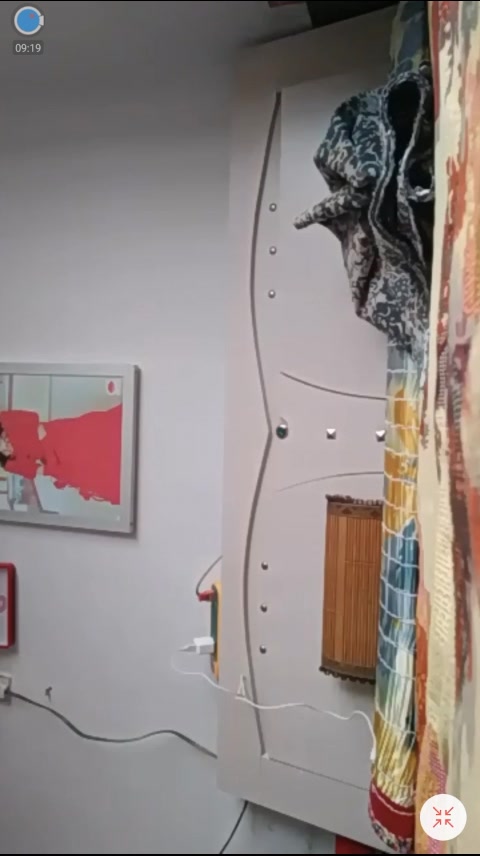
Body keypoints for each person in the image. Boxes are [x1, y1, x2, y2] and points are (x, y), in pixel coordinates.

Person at [0, 405, 122, 505]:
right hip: (54, 462)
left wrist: (47, 447)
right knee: (92, 475)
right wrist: (53, 469)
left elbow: (33, 419)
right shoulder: (7, 464)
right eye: (4, 451)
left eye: (5, 441)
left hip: (58, 435)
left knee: (97, 435)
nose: (8, 448)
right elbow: (35, 470)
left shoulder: (4, 419)